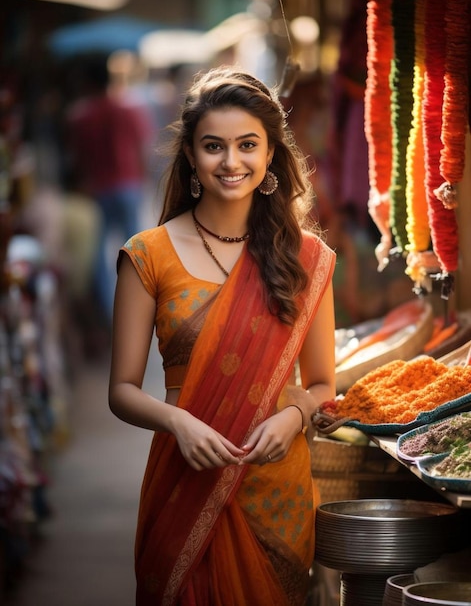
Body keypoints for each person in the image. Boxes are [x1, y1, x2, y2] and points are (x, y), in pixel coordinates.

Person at [108, 66, 336, 606]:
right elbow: (121, 390)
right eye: (214, 146)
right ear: (190, 153)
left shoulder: (308, 259)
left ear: (271, 153)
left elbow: (324, 383)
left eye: (247, 145)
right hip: (184, 480)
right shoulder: (148, 255)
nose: (231, 162)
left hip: (277, 491)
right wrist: (179, 422)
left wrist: (294, 415)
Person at [66, 55, 153, 322]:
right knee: (137, 249)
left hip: (98, 188)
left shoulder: (80, 116)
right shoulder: (129, 109)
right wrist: (144, 179)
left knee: (99, 253)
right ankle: (143, 305)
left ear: (88, 83)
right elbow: (142, 148)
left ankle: (109, 313)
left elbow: (77, 158)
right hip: (128, 184)